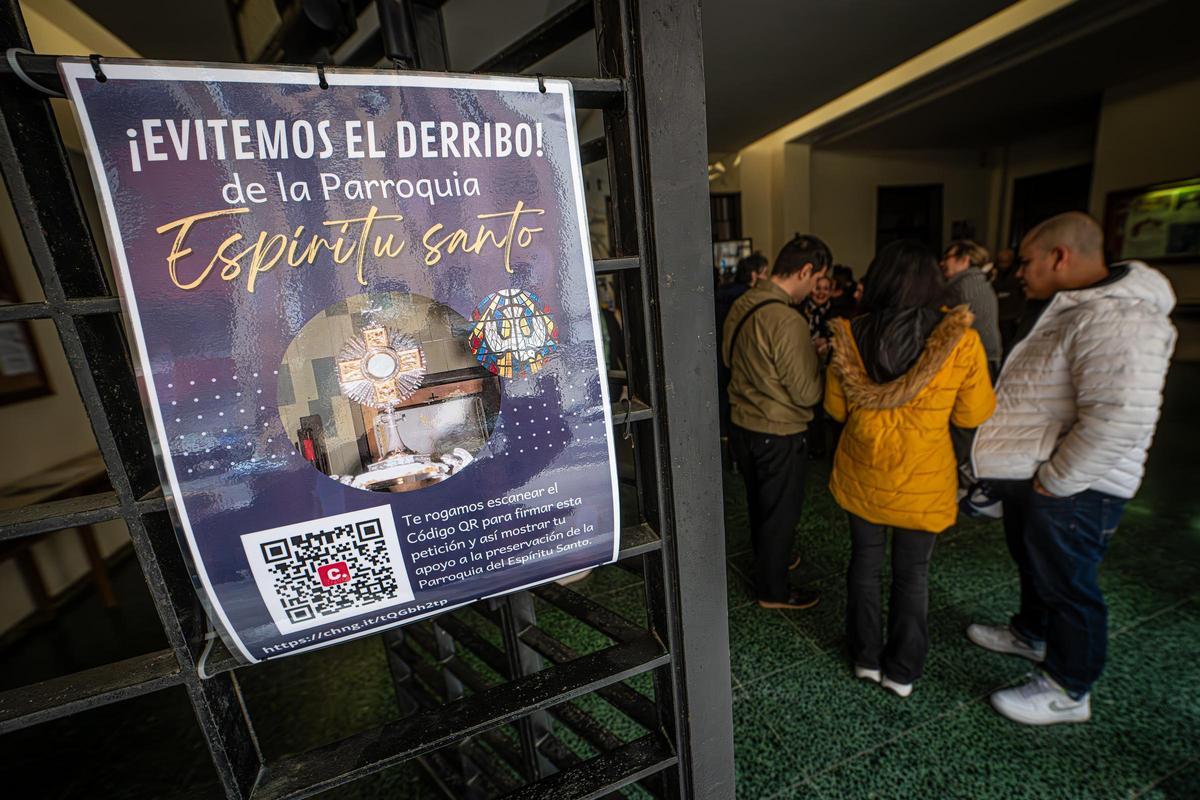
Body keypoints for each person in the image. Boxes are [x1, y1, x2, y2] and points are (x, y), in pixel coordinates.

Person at [968, 212, 1176, 726]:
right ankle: (1030, 634)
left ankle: (1068, 688)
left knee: (1069, 583)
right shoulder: (1077, 305)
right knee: (1037, 563)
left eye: (1026, 261)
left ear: (1060, 256)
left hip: (1077, 484)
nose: (1019, 271)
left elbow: (1119, 417)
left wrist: (1054, 481)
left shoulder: (1121, 315)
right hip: (1041, 469)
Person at [825, 240, 994, 697]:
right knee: (911, 575)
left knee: (863, 567)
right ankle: (901, 670)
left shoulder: (850, 335)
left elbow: (835, 409)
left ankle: (865, 658)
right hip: (925, 476)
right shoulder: (960, 340)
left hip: (863, 472)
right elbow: (972, 415)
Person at [722, 234, 830, 610]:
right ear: (805, 270)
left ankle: (771, 558)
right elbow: (806, 393)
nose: (815, 288)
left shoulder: (743, 303)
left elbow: (728, 356)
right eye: (817, 280)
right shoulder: (787, 319)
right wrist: (817, 359)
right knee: (780, 512)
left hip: (742, 425)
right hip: (778, 430)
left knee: (760, 504)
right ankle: (774, 589)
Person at [940, 240, 1001, 375]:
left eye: (947, 258)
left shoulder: (963, 285)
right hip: (987, 355)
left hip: (976, 359)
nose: (942, 263)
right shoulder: (978, 280)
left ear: (964, 260)